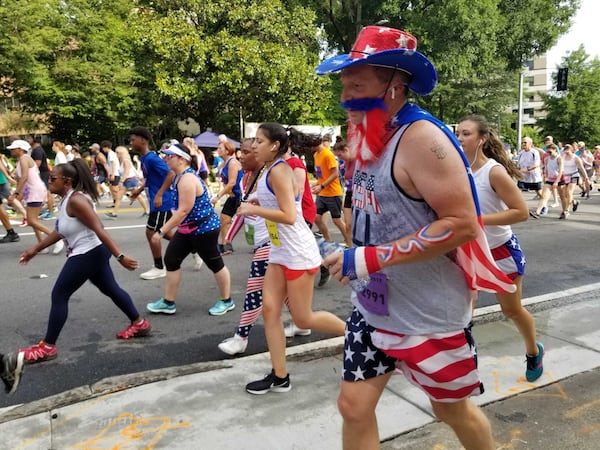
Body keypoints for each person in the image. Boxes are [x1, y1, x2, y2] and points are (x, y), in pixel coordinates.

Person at [316, 25, 515, 450]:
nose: (344, 95)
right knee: (353, 406)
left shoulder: (423, 139)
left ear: (394, 85)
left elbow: (462, 224)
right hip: (373, 308)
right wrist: (353, 254)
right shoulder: (368, 133)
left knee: (450, 411)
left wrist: (370, 259)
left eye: (356, 82)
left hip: (428, 317)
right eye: (344, 83)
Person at [240, 123, 345, 395]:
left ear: (274, 145)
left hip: (297, 252)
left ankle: (359, 336)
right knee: (270, 310)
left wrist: (253, 208)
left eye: (260, 141)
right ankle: (280, 375)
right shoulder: (268, 169)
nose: (254, 146)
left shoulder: (280, 170)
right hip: (280, 250)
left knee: (304, 318)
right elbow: (282, 202)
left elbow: (289, 215)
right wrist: (257, 199)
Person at [18, 159, 151, 364]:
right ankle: (139, 323)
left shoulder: (77, 201)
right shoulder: (66, 199)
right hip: (92, 252)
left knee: (59, 294)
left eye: (53, 178)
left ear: (67, 182)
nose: (49, 181)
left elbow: (99, 229)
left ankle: (47, 347)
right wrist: (34, 249)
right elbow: (60, 231)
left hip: (89, 252)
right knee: (110, 288)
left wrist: (120, 256)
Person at [457, 115, 544, 381]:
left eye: (466, 134)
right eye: (458, 133)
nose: (460, 138)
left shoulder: (494, 171)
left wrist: (478, 222)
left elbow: (521, 213)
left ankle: (533, 351)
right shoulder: (456, 168)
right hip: (467, 252)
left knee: (511, 310)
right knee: (461, 315)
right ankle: (462, 370)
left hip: (500, 252)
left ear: (482, 139)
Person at [145, 143, 234, 316]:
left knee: (215, 264)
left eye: (169, 156)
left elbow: (184, 210)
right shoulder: (178, 175)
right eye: (165, 155)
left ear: (181, 159)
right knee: (171, 260)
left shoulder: (187, 179)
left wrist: (161, 232)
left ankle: (226, 300)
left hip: (204, 229)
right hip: (188, 229)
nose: (165, 158)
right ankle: (168, 302)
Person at [218, 138, 268, 354]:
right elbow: (242, 210)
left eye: (246, 152)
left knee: (254, 290)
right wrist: (227, 237)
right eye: (241, 152)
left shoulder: (270, 178)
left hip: (274, 244)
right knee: (290, 299)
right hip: (262, 243)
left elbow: (288, 212)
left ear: (258, 154)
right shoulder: (245, 178)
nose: (241, 156)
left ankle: (241, 337)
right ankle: (303, 324)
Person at [127, 126, 175, 280]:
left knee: (151, 232)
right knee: (166, 233)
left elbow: (170, 173)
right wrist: (139, 190)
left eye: (133, 140)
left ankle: (159, 267)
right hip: (156, 200)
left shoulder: (152, 158)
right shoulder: (144, 158)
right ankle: (192, 247)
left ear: (143, 140)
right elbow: (150, 178)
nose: (131, 143)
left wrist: (160, 194)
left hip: (160, 202)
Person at [7, 140, 64, 254]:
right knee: (32, 220)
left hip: (34, 191)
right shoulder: (23, 159)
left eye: (14, 148)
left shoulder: (24, 159)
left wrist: (15, 194)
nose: (11, 150)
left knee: (32, 221)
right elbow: (21, 178)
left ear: (20, 149)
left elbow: (24, 177)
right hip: (31, 191)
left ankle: (56, 238)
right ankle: (42, 245)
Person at [310, 137, 352, 248]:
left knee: (337, 220)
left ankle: (349, 242)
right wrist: (315, 185)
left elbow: (335, 174)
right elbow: (321, 174)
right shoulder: (316, 155)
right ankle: (328, 241)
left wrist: (322, 186)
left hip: (333, 193)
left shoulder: (328, 155)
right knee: (316, 218)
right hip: (322, 193)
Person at [211, 141, 243, 254]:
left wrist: (218, 197)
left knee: (251, 223)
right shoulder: (224, 163)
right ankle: (226, 244)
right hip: (232, 197)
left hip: (240, 197)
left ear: (227, 151)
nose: (218, 150)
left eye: (220, 148)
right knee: (224, 219)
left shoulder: (232, 163)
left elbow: (232, 183)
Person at [105, 146, 150, 219]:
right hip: (128, 180)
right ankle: (114, 213)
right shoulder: (123, 161)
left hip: (130, 180)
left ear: (120, 153)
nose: (116, 154)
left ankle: (115, 213)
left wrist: (121, 181)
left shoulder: (125, 161)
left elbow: (126, 172)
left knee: (135, 195)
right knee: (122, 196)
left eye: (117, 152)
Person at [530, 143, 563, 218]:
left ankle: (566, 209)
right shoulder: (547, 159)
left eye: (550, 152)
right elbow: (546, 169)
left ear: (555, 150)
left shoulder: (559, 158)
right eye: (547, 152)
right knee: (544, 196)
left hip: (560, 179)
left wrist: (557, 181)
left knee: (563, 196)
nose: (548, 154)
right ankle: (537, 212)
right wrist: (545, 176)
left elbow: (561, 171)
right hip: (550, 179)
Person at [28, 135, 55, 219]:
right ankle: (42, 210)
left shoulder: (38, 150)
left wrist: (28, 171)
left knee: (47, 193)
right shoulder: (35, 150)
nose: (27, 140)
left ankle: (51, 213)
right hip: (41, 173)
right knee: (42, 193)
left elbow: (37, 164)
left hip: (43, 173)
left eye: (29, 138)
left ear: (35, 139)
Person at [559, 144, 589, 219]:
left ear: (572, 150)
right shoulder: (562, 157)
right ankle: (575, 202)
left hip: (574, 175)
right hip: (565, 176)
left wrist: (586, 177)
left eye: (568, 151)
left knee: (569, 192)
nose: (566, 153)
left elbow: (582, 168)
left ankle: (566, 211)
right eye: (565, 151)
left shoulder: (576, 158)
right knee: (565, 194)